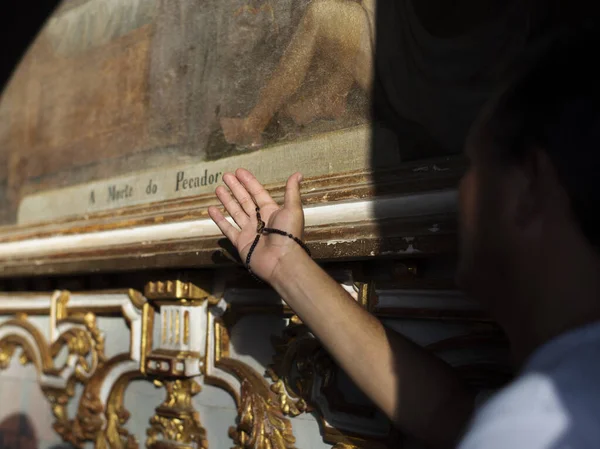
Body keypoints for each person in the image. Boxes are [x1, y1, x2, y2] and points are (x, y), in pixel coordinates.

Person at [209, 28, 600, 449]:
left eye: (472, 167)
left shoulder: (546, 424)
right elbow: (451, 414)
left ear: (528, 190)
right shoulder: (568, 396)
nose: (458, 190)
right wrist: (287, 264)